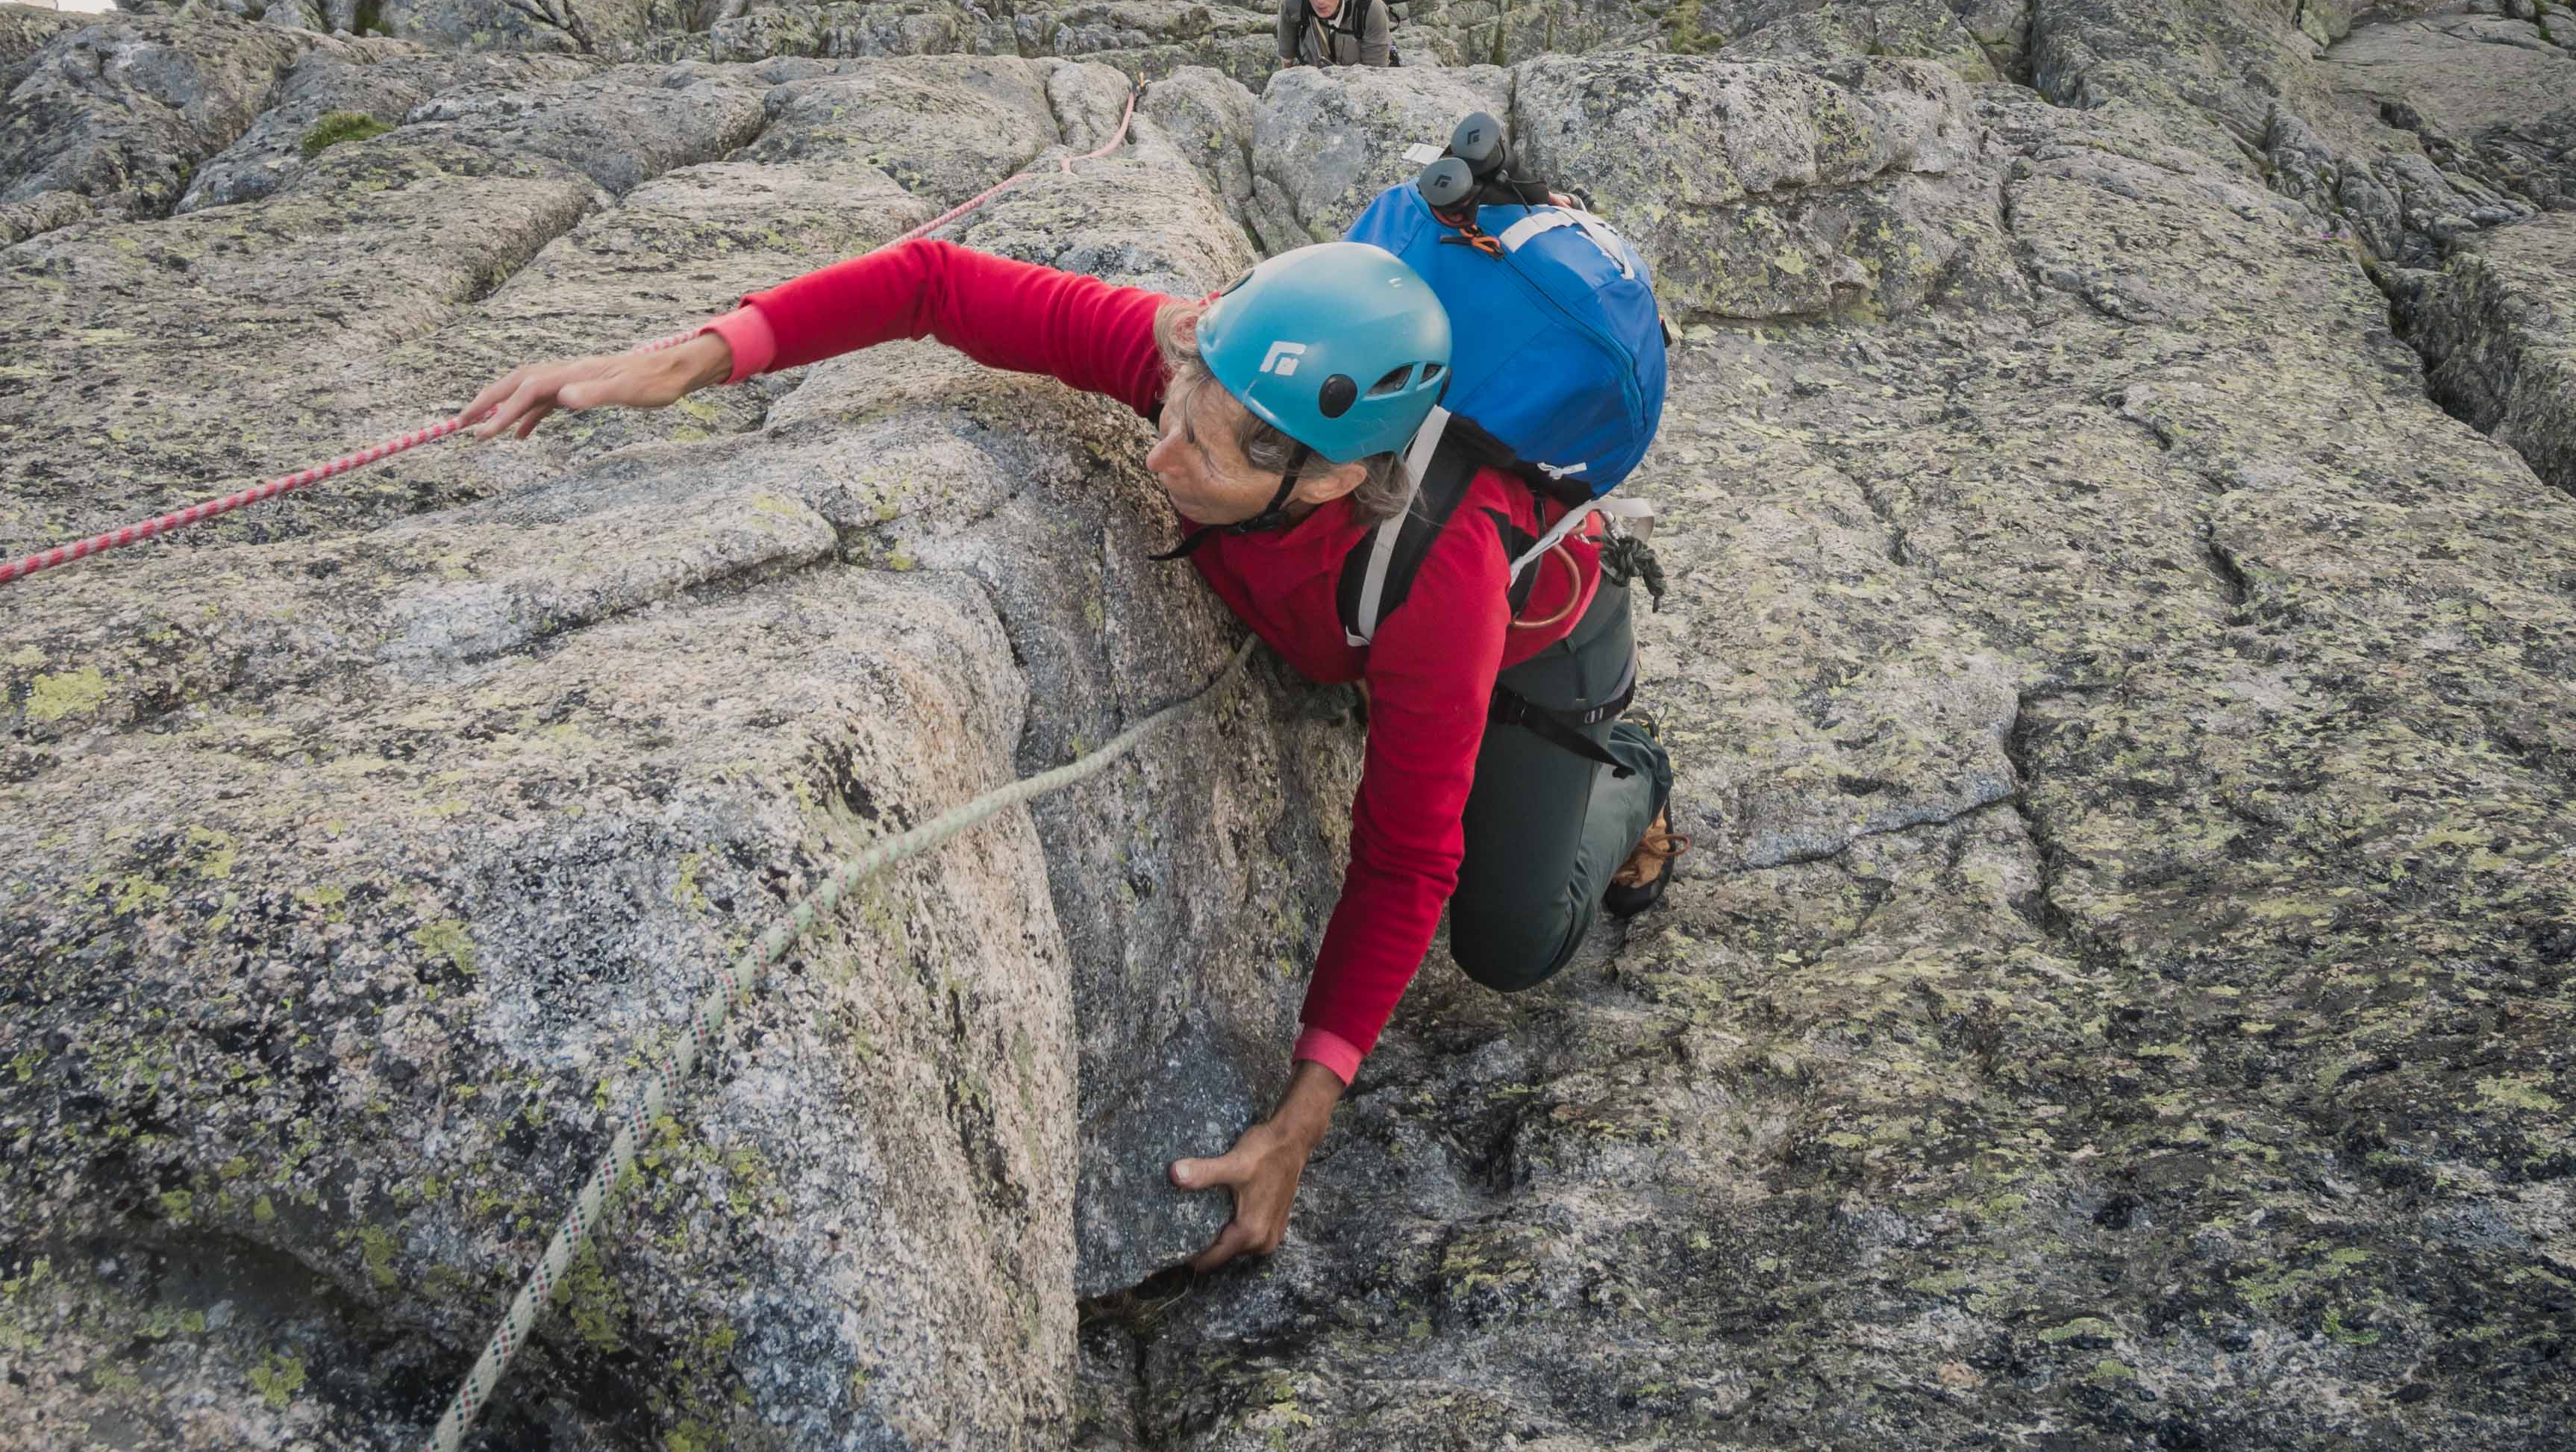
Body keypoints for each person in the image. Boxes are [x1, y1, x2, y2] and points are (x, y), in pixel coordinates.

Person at [460, 240, 1672, 1268]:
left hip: (1538, 653)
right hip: (1372, 635)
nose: (1160, 456)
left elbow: (1405, 860)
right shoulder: (1221, 369)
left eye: (1207, 454)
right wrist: (701, 356)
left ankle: (1632, 776)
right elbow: (937, 285)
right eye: (1171, 412)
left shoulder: (1441, 583)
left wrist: (1301, 1119)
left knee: (1508, 942)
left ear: (1335, 481)